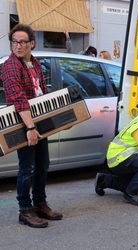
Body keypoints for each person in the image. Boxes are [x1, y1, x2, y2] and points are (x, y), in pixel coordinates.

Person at [1, 24, 63, 228]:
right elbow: (19, 100)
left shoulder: (36, 64)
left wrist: (58, 121)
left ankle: (40, 204)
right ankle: (25, 210)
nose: (18, 46)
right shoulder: (10, 66)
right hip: (23, 124)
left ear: (32, 44)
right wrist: (30, 128)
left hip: (38, 123)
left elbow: (42, 95)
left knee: (42, 166)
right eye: (14, 42)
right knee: (26, 168)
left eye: (22, 42)